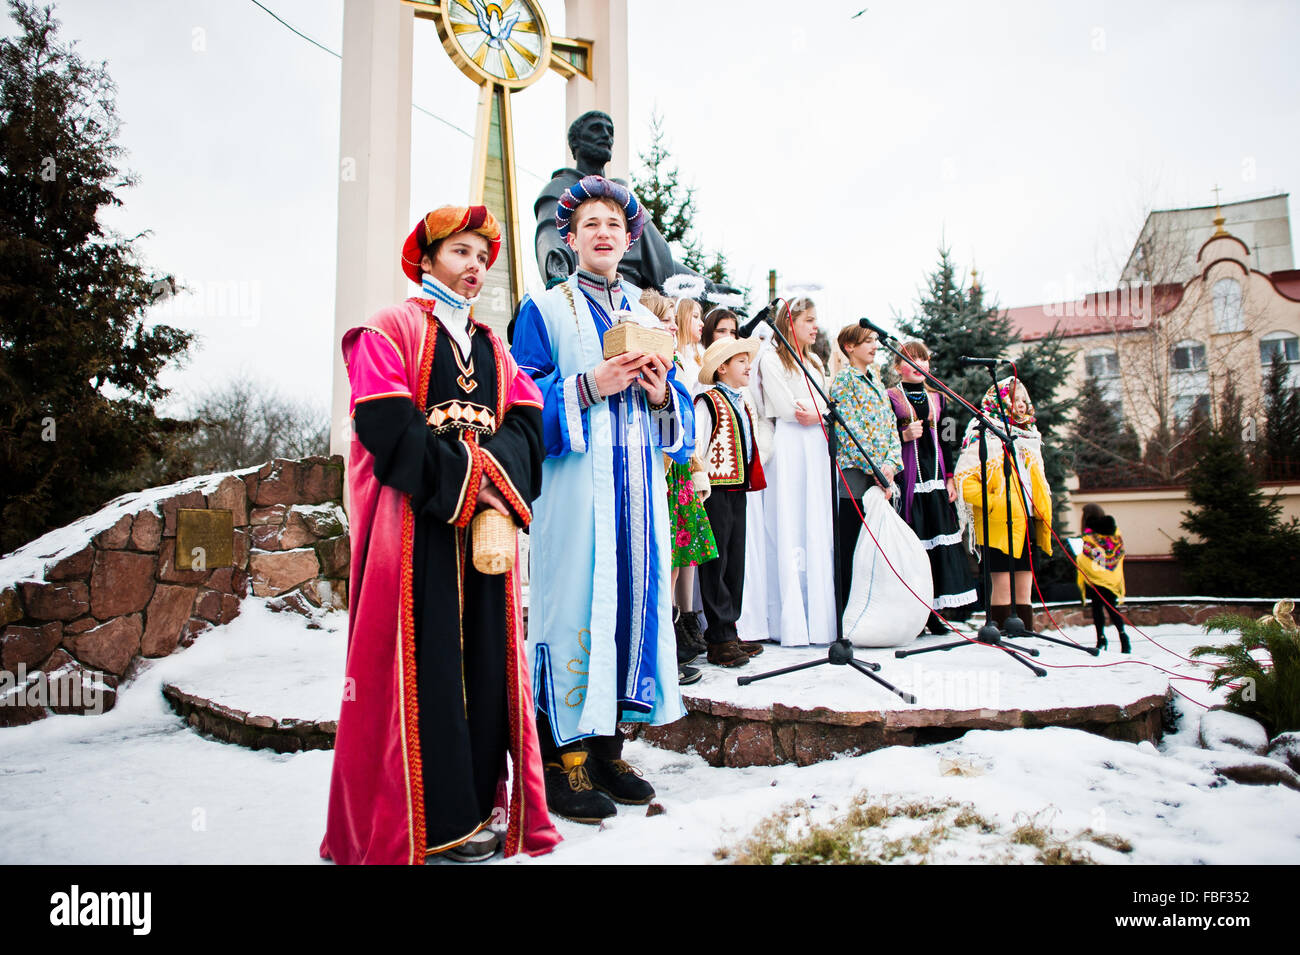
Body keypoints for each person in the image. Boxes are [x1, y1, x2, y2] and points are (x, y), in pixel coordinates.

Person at [322, 205, 560, 865]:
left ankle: (479, 807)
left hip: (482, 534)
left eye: (483, 258)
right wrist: (468, 481)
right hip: (416, 529)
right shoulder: (387, 327)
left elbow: (528, 420)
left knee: (485, 664)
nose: (475, 267)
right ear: (424, 260)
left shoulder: (494, 344)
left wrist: (489, 478)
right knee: (421, 670)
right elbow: (386, 424)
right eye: (460, 253)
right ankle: (427, 826)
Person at [511, 175, 693, 824]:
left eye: (614, 223)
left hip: (638, 495)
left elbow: (685, 422)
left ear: (629, 238)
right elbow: (519, 401)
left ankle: (610, 747)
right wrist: (586, 385)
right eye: (590, 222)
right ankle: (564, 759)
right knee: (574, 610)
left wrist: (661, 394)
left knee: (631, 608)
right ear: (570, 235)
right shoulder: (545, 309)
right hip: (575, 496)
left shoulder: (648, 322)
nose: (603, 232)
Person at [639, 290, 712, 684]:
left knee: (673, 561)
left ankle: (669, 649)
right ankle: (659, 654)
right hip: (653, 477)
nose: (672, 325)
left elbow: (680, 435)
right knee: (660, 564)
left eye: (672, 318)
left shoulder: (673, 371)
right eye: (664, 318)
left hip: (674, 471)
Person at [757, 297, 835, 646]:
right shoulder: (773, 358)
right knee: (789, 521)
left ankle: (819, 619)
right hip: (790, 446)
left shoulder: (816, 360)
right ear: (791, 323)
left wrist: (817, 409)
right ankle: (789, 620)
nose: (815, 326)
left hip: (816, 444)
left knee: (816, 522)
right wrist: (816, 409)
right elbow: (789, 409)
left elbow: (826, 405)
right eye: (808, 320)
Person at [888, 341, 979, 631]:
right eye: (911, 359)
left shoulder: (941, 399)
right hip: (907, 479)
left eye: (923, 359)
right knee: (915, 544)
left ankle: (939, 613)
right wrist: (903, 434)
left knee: (939, 543)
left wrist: (950, 477)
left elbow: (949, 439)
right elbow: (882, 435)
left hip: (936, 478)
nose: (918, 365)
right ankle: (918, 613)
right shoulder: (889, 397)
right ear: (897, 366)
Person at [954, 377, 1053, 631]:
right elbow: (965, 479)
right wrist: (993, 503)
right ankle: (1000, 629)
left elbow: (1036, 479)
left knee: (1025, 581)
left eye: (1024, 400)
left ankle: (1025, 629)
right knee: (1002, 583)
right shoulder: (983, 432)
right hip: (998, 519)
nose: (1021, 405)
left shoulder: (1029, 435)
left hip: (1027, 518)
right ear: (1000, 401)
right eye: (1015, 399)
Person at [695, 337, 768, 666]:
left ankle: (730, 628)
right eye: (741, 361)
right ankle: (718, 636)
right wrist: (699, 481)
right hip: (715, 489)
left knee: (735, 561)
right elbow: (697, 444)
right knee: (717, 562)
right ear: (722, 368)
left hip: (737, 487)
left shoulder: (742, 400)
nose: (748, 366)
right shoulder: (707, 402)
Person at [829, 324, 903, 613]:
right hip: (856, 477)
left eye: (875, 340)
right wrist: (874, 467)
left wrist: (890, 464)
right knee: (853, 548)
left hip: (881, 477)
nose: (874, 346)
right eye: (867, 341)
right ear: (849, 347)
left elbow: (890, 427)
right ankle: (849, 613)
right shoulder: (844, 382)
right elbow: (850, 431)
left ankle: (877, 610)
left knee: (877, 550)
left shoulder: (876, 381)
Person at [1076, 503, 1129, 652]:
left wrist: (1080, 558)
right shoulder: (1114, 532)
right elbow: (1117, 552)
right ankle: (1123, 637)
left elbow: (1088, 556)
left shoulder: (1089, 535)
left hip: (1094, 578)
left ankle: (1101, 639)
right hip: (1112, 578)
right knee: (1112, 608)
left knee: (1097, 609)